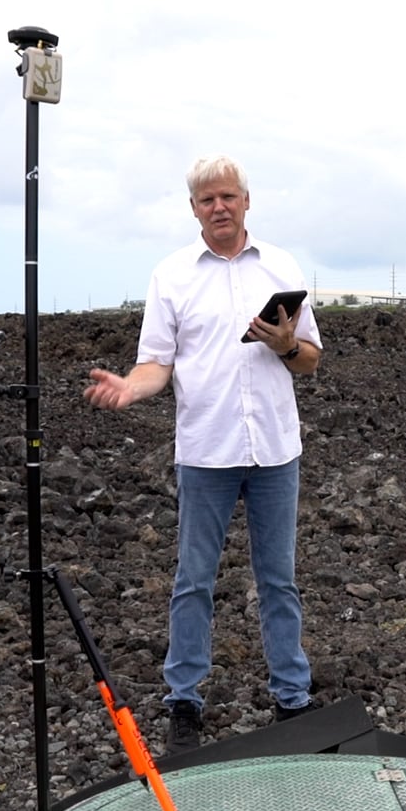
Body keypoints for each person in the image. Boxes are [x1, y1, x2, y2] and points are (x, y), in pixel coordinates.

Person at [83, 155, 322, 752]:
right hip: (206, 452)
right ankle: (184, 701)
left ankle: (293, 700)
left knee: (279, 581)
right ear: (194, 209)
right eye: (207, 199)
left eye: (228, 197)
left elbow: (312, 360)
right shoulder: (172, 276)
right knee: (194, 581)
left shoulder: (282, 267)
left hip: (273, 449)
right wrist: (130, 388)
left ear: (247, 201)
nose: (219, 207)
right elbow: (156, 363)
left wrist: (288, 343)